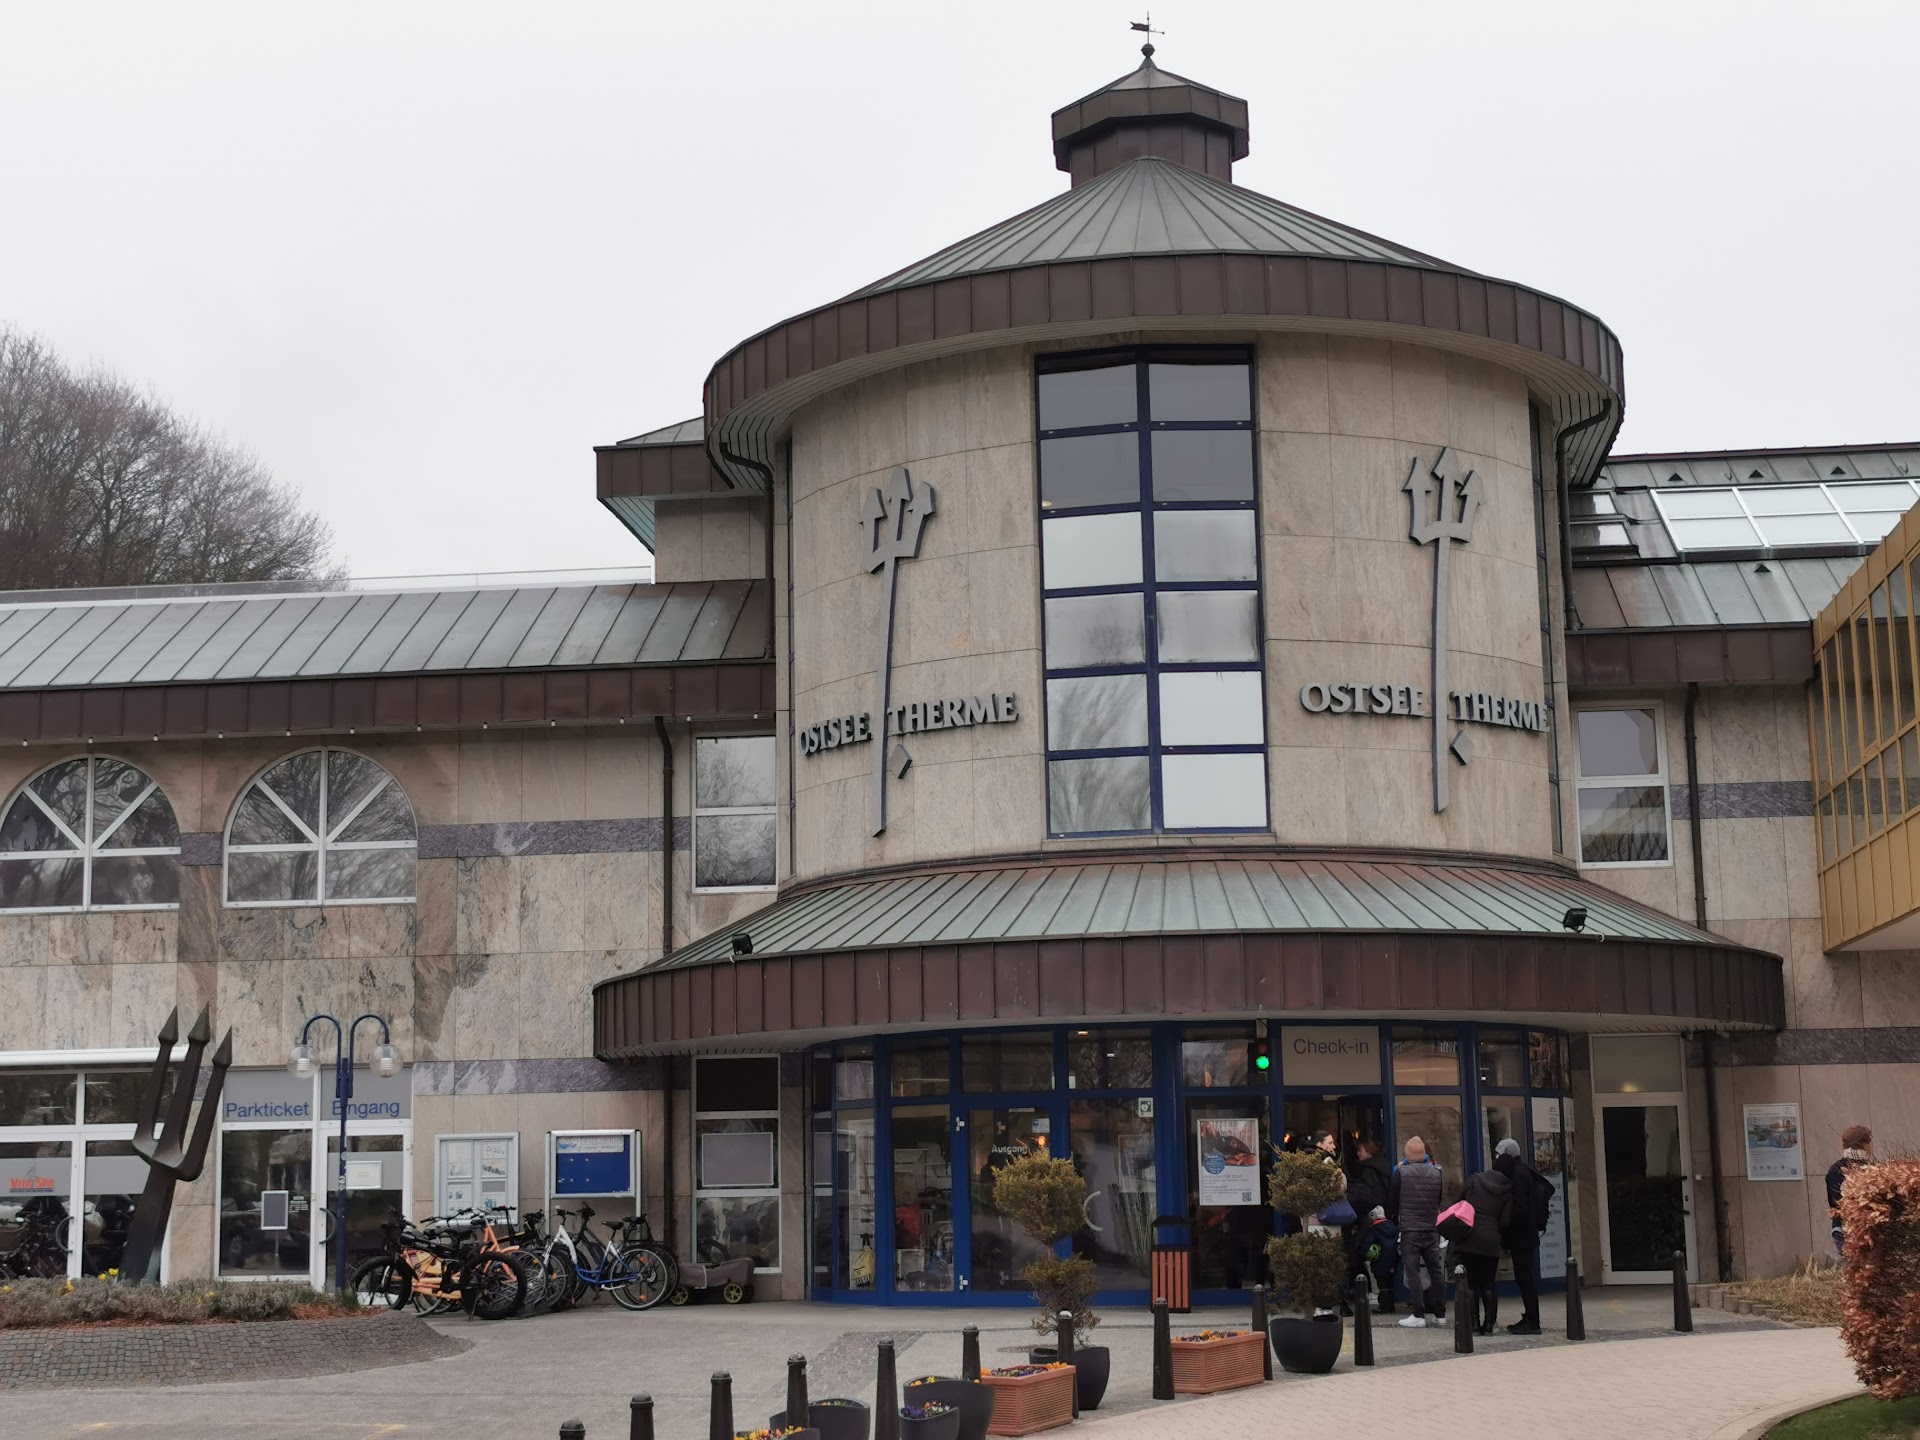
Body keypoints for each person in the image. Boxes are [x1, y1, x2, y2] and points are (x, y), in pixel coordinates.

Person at [1492, 1135, 1554, 1334]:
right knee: (1524, 1278)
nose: (1496, 1158)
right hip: (1525, 1235)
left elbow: (1520, 1207)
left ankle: (1532, 1321)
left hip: (1522, 1236)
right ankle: (1530, 1317)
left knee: (1525, 1279)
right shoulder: (1521, 1170)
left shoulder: (1518, 1174)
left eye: (1498, 1154)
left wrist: (1507, 1227)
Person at [1387, 1136, 1445, 1327]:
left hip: (1410, 1228)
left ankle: (1418, 1314)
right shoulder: (1437, 1172)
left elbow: (1392, 1201)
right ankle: (1440, 1314)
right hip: (1431, 1227)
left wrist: (1393, 1216)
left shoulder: (1401, 1172)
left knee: (1413, 1271)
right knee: (1435, 1271)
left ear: (1408, 1154)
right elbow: (1439, 1199)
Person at [1459, 1160, 1513, 1335]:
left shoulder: (1473, 1180)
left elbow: (1459, 1204)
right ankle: (1489, 1324)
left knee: (1471, 1283)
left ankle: (1473, 1324)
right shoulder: (1507, 1190)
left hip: (1469, 1237)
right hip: (1491, 1241)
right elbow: (1505, 1221)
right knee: (1488, 1283)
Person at [1346, 1137, 1396, 1312]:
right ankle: (1386, 1299)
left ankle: (1367, 1293)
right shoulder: (1385, 1168)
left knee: (1362, 1254)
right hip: (1386, 1219)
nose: (1358, 1153)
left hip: (1370, 1219)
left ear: (1368, 1151)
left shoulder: (1367, 1171)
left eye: (1360, 1150)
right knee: (1384, 1258)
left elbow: (1366, 1196)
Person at [1825, 1124, 1873, 1258]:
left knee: (1853, 1266)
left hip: (1841, 1228)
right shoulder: (1871, 1170)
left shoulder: (1835, 1169)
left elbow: (1834, 1202)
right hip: (1857, 1229)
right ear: (1864, 1145)